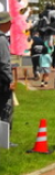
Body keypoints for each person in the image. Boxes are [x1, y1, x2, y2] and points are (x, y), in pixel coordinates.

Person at [0, 12, 16, 144]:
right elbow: (5, 63)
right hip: (2, 81)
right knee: (6, 109)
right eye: (9, 22)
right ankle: (5, 141)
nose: (11, 24)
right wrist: (10, 80)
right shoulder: (2, 40)